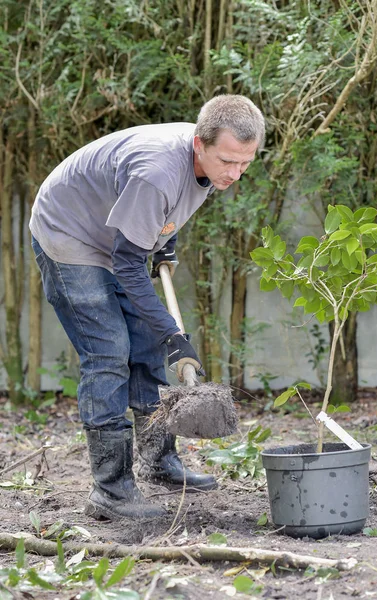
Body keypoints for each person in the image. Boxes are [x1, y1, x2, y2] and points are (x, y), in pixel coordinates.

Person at [29, 94, 265, 521]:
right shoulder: (157, 172)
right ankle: (111, 491)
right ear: (200, 144)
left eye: (245, 163)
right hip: (70, 235)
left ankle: (158, 462)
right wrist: (175, 335)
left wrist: (164, 245)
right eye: (228, 162)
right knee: (109, 354)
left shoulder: (212, 165)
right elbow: (126, 261)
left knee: (146, 345)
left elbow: (166, 213)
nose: (235, 174)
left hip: (117, 237)